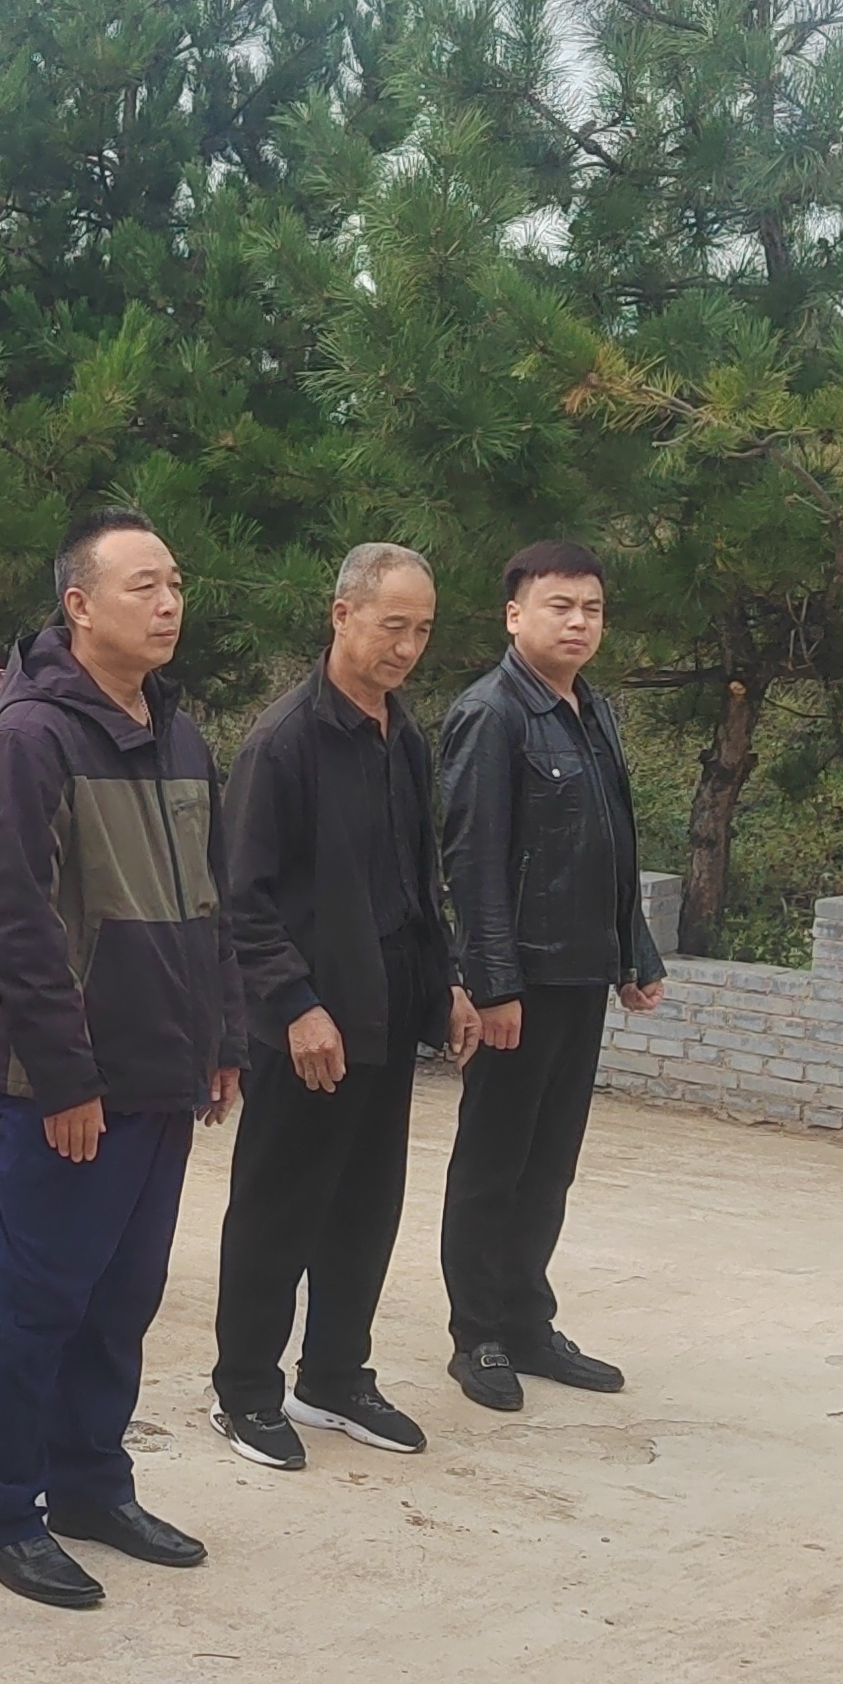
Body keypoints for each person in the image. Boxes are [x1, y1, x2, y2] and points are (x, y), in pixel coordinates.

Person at [0, 510, 245, 1612]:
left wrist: (224, 1040)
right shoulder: (31, 740)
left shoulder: (178, 733)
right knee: (33, 1306)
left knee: (123, 1301)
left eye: (175, 584)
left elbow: (212, 904)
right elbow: (10, 921)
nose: (168, 605)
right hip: (70, 1088)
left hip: (165, 1071)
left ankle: (89, 1485)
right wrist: (64, 1077)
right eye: (141, 587)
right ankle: (1, 1514)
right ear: (77, 606)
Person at [207, 544, 476, 1473]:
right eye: (392, 625)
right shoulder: (284, 743)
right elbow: (242, 896)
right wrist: (294, 1004)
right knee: (278, 1208)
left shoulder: (403, 735)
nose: (406, 647)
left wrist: (447, 983)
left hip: (385, 1008)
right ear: (342, 615)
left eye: (422, 630)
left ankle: (334, 1376)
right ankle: (245, 1388)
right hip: (308, 1023)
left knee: (365, 1206)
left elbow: (416, 880)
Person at [434, 540, 667, 1415]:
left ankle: (529, 1322)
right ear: (514, 615)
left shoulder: (591, 712)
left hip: (579, 975)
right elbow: (473, 860)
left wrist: (634, 953)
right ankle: (478, 1335)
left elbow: (612, 846)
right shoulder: (491, 715)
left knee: (549, 1164)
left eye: (592, 609)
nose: (578, 623)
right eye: (559, 606)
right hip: (519, 983)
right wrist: (492, 986)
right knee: (494, 1161)